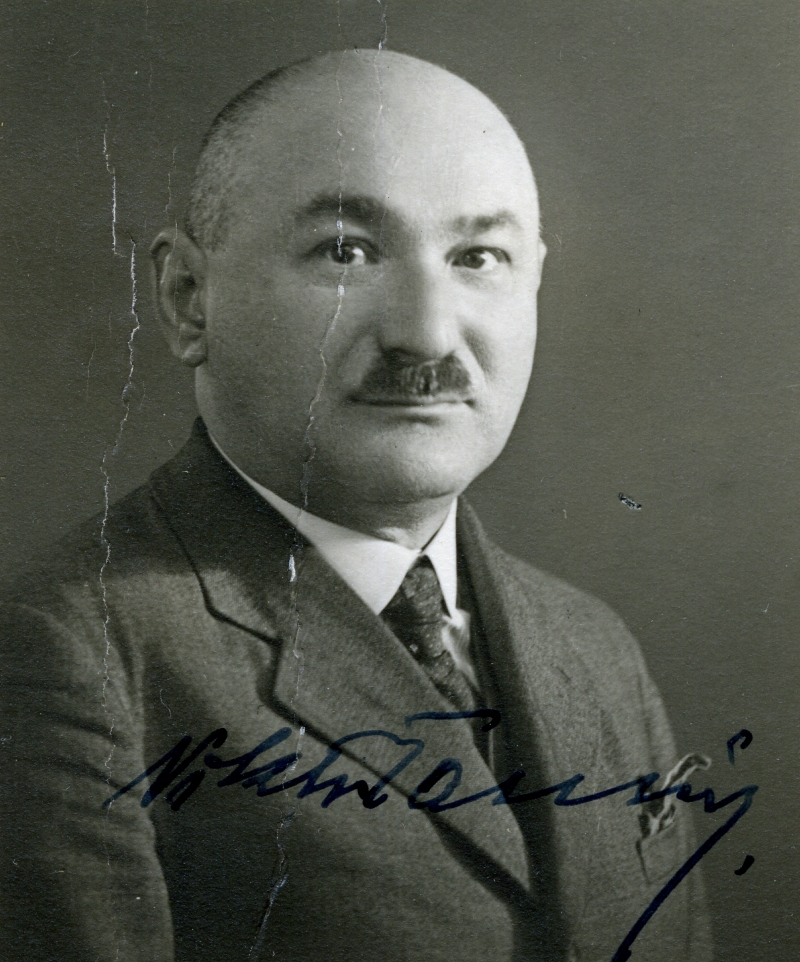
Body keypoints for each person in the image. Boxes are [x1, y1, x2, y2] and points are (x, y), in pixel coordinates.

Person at [0, 50, 711, 962]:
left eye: (478, 257)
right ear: (187, 300)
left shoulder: (595, 649)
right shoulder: (72, 656)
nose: (427, 333)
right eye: (347, 252)